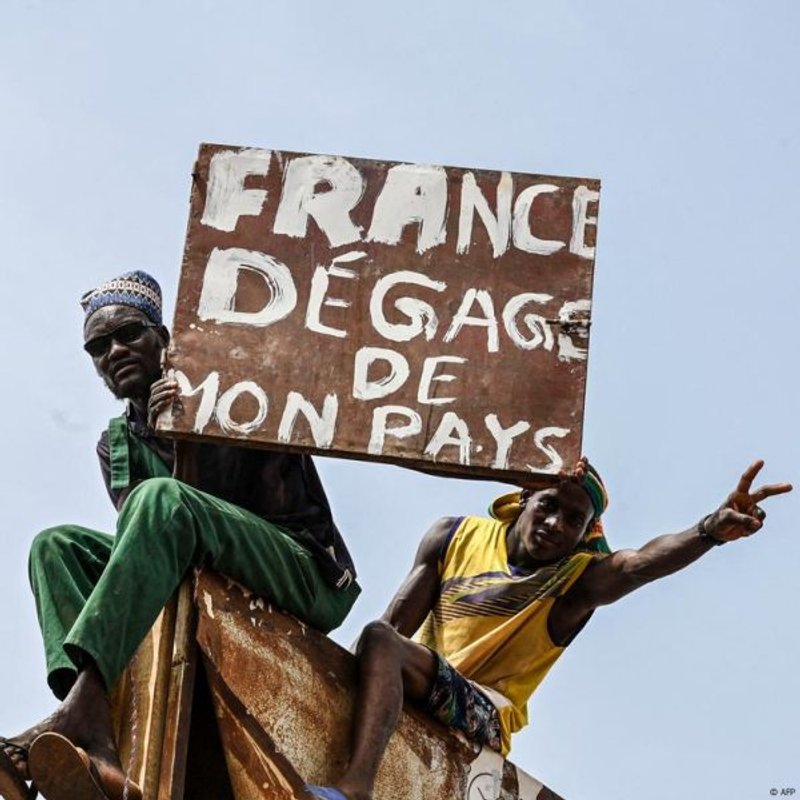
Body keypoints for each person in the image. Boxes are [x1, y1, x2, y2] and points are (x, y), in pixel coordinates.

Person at [0, 270, 360, 800]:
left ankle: (78, 710)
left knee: (160, 499)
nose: (115, 351)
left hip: (301, 572)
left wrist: (191, 428)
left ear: (163, 339)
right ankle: (97, 723)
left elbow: (213, 515)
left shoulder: (231, 392)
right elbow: (154, 548)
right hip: (195, 573)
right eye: (99, 347)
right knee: (54, 546)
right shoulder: (116, 444)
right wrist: (169, 436)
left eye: (129, 334)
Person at [307, 459, 791, 800]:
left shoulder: (576, 581)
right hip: (419, 677)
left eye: (574, 521)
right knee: (376, 638)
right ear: (524, 500)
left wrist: (708, 530)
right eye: (549, 507)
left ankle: (354, 790)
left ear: (586, 534)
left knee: (380, 643)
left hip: (483, 711)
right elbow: (393, 628)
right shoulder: (454, 535)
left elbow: (639, 564)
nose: (556, 525)